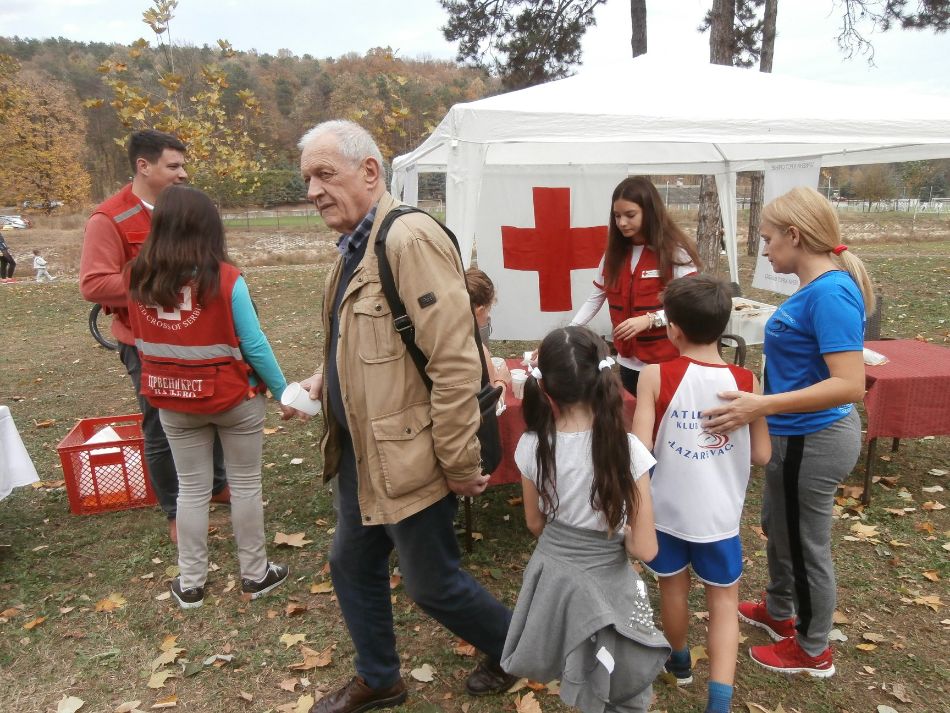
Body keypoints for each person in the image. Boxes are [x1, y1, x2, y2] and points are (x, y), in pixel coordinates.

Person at [291, 120, 515, 713]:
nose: (312, 190)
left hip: (410, 453)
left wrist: (460, 462)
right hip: (362, 452)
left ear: (369, 171)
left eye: (324, 174)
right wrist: (324, 379)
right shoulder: (353, 247)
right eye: (307, 178)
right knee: (350, 561)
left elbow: (455, 360)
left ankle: (516, 649)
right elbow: (364, 342)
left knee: (431, 582)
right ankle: (379, 678)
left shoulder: (408, 240)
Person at [703, 186, 873, 679]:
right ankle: (779, 610)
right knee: (779, 526)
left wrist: (763, 405)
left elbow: (850, 384)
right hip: (791, 434)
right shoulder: (813, 286)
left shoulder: (831, 293)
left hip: (813, 439)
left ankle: (813, 648)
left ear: (794, 236)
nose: (764, 249)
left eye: (767, 238)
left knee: (803, 543)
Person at [127, 185, 292, 608]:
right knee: (245, 485)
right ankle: (255, 573)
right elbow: (253, 343)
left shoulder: (136, 277)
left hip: (171, 398)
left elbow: (139, 337)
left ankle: (191, 582)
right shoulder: (227, 279)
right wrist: (282, 390)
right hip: (233, 398)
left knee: (191, 489)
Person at [501, 326, 668, 713]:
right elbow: (645, 548)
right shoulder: (628, 450)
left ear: (545, 387)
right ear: (604, 377)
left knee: (581, 662)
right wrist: (624, 535)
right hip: (610, 583)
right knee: (620, 673)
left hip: (556, 582)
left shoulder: (532, 444)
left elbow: (534, 523)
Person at [80, 129, 229, 542]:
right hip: (145, 344)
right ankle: (176, 510)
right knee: (161, 425)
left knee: (213, 409)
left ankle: (216, 485)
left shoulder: (186, 208)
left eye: (184, 166)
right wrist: (162, 280)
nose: (183, 174)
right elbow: (94, 284)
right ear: (143, 166)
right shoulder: (109, 219)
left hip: (198, 336)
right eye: (173, 166)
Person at [632, 275, 771, 713]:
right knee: (724, 601)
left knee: (673, 590)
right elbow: (762, 455)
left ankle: (679, 661)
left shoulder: (654, 375)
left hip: (667, 511)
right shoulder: (746, 379)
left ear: (672, 328)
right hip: (719, 518)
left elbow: (640, 449)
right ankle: (719, 702)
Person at [570, 176, 701, 395]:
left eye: (630, 215)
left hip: (666, 361)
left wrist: (650, 320)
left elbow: (691, 304)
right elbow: (596, 298)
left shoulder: (675, 251)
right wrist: (568, 330)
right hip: (627, 362)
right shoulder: (613, 255)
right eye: (617, 216)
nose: (622, 222)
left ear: (649, 212)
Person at [464, 267, 510, 398]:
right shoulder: (477, 348)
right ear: (479, 311)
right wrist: (501, 381)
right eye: (488, 310)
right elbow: (493, 404)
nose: (488, 316)